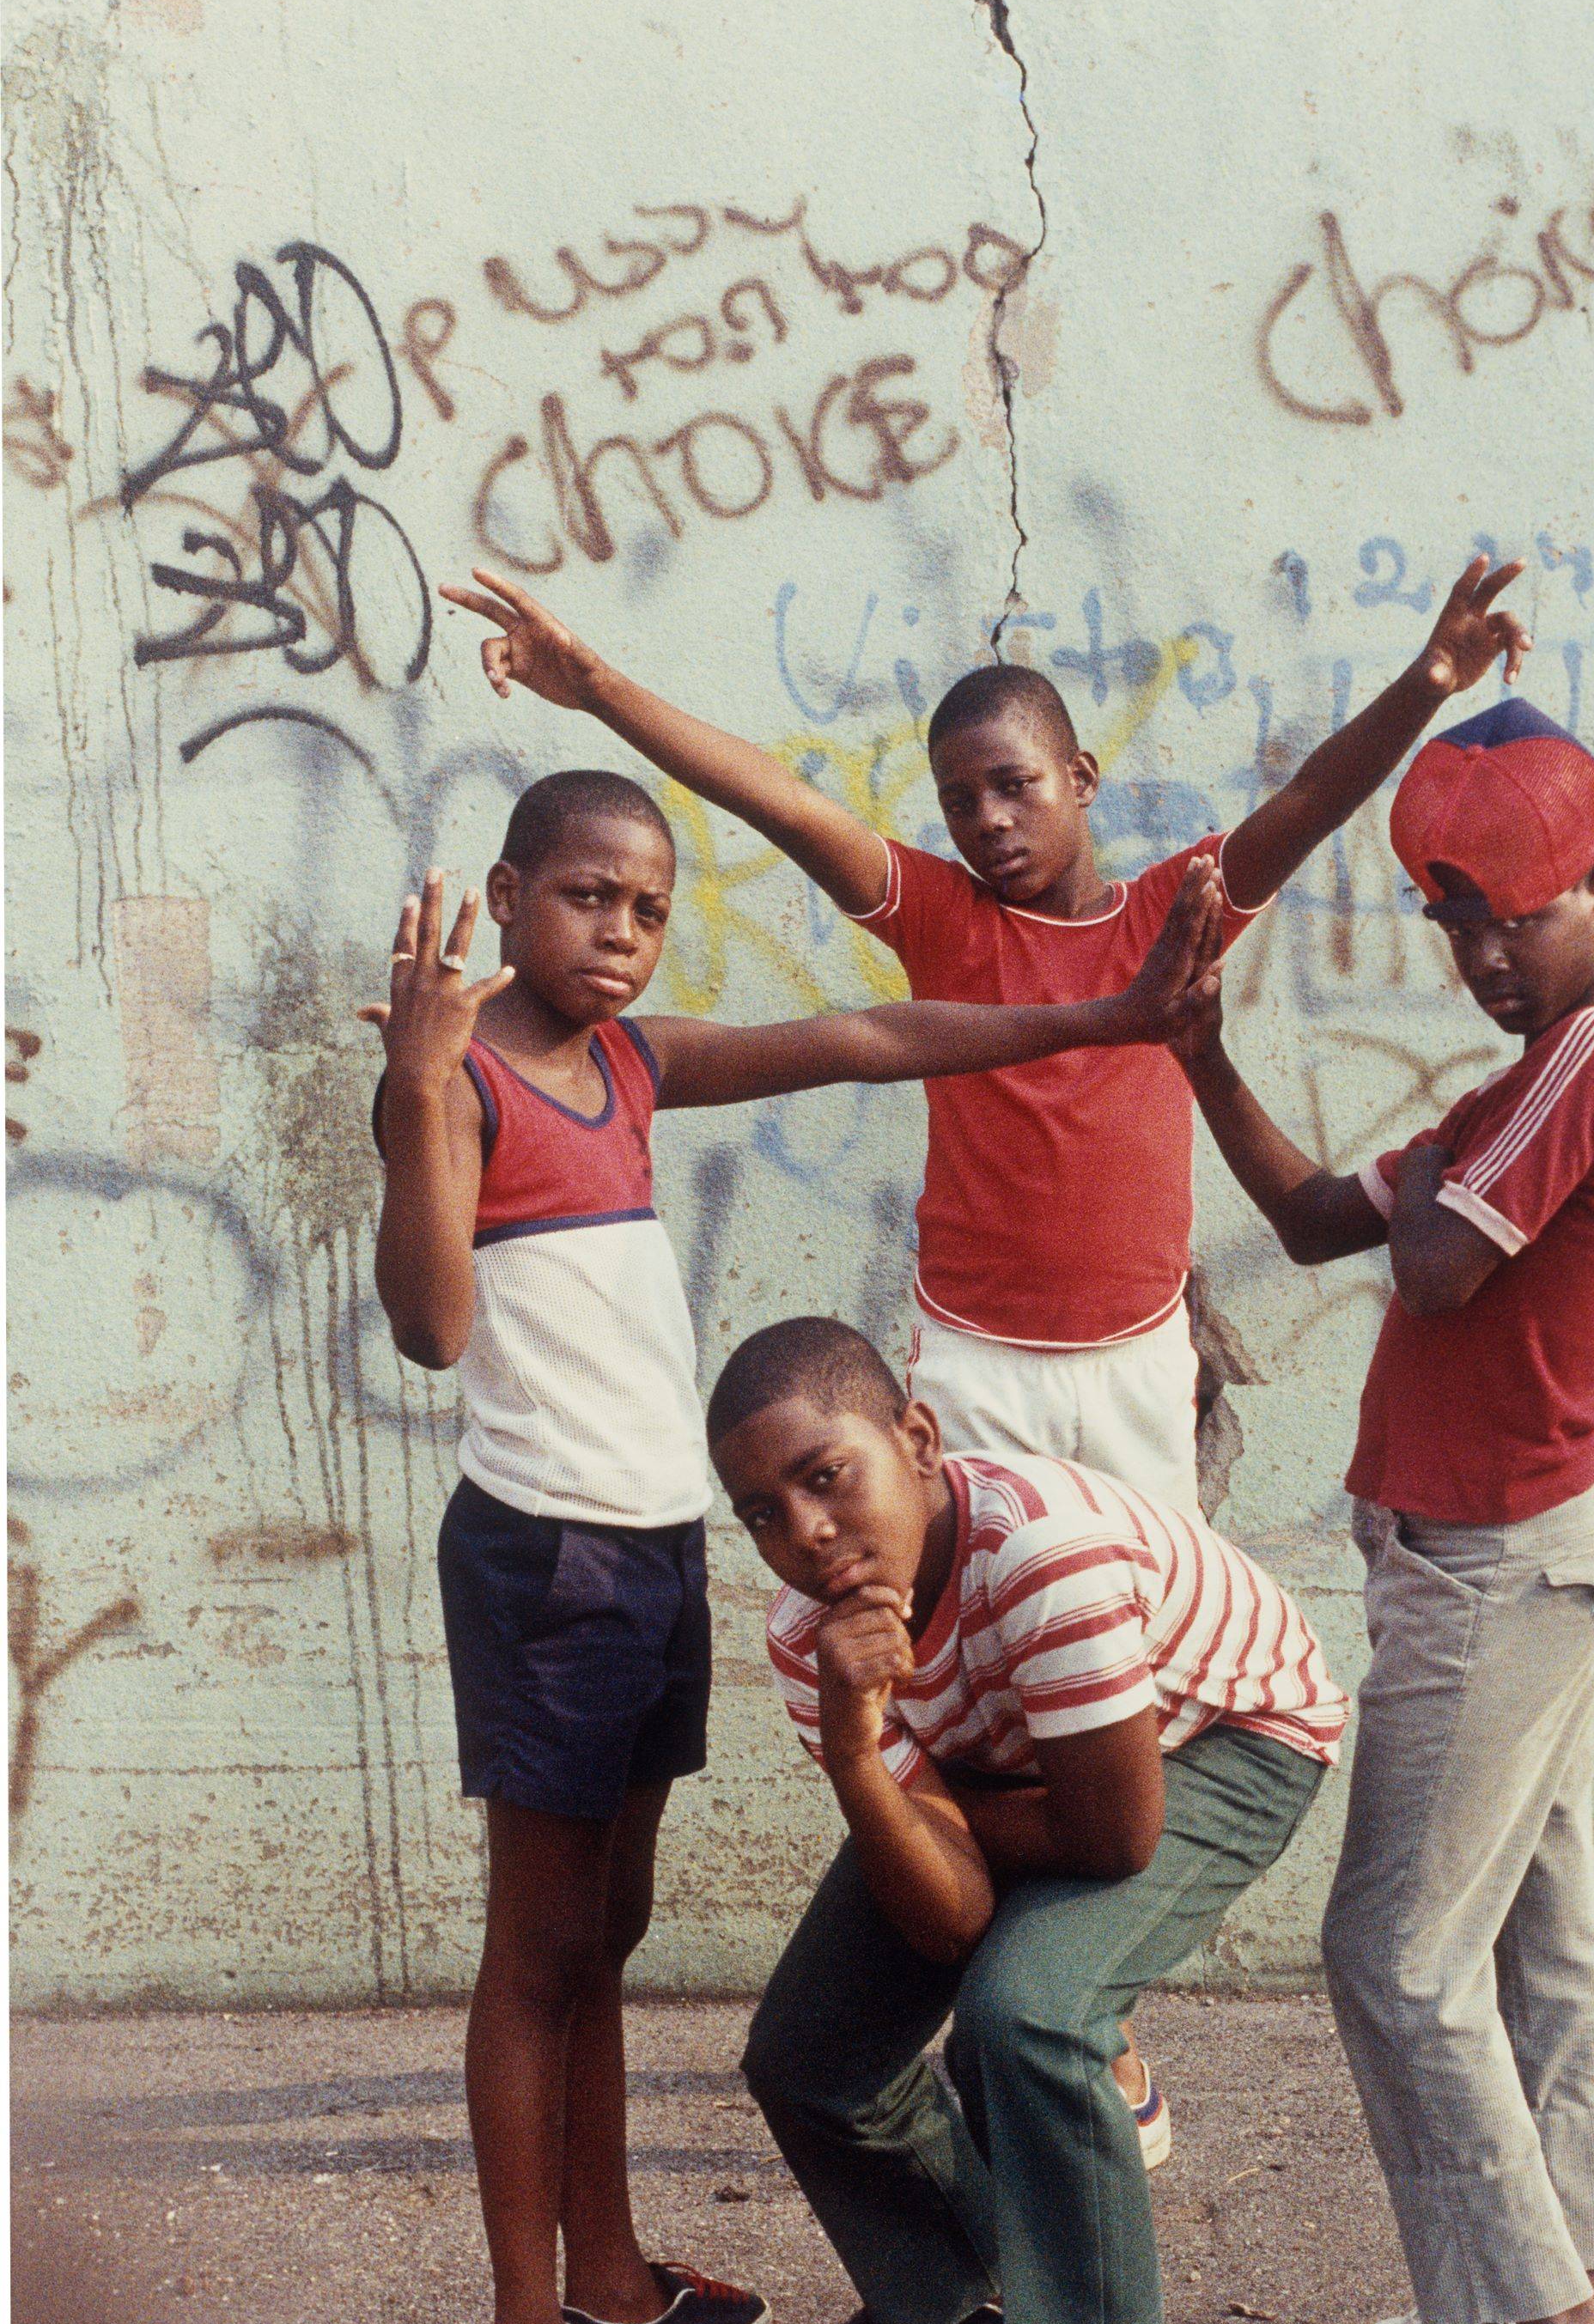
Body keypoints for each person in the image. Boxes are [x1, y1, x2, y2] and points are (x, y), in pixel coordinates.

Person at [437, 551, 1529, 2163]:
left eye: (1015, 786)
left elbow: (1308, 797)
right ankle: (968, 1993)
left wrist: (1430, 684)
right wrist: (592, 686)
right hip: (973, 1373)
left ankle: (1098, 2018)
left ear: (1082, 779)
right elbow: (769, 798)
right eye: (960, 798)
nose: (989, 822)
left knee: (1124, 1703)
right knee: (958, 1689)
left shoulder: (1175, 909)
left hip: (1136, 1365)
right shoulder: (942, 916)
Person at [368, 776, 1221, 2324]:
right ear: (511, 896)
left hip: (651, 1558)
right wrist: (406, 1097)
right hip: (541, 1568)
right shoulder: (459, 1078)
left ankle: (608, 2285)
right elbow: (432, 1323)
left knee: (604, 1925)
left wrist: (1113, 1013)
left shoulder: (624, 1066)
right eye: (585, 895)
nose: (619, 930)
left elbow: (859, 1031)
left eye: (648, 907)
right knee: (534, 1954)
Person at [1171, 697, 1594, 2324]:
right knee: (1540, 1932)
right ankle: (1572, 2287)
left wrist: (1445, 1171)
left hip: (1497, 1574)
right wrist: (1198, 1055)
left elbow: (1438, 1268)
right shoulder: (1521, 1078)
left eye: (1513, 914)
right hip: (1491, 1563)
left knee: (1391, 1951)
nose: (1478, 954)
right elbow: (1331, 1218)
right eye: (1451, 919)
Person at [706, 1291, 1348, 2324]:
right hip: (1033, 1766)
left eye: (829, 1479)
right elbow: (940, 1918)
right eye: (765, 1512)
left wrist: (941, 1809)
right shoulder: (808, 1640)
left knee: (1029, 2015)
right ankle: (968, 2287)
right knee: (810, 2055)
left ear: (920, 1438)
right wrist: (855, 1742)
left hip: (1222, 1737)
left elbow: (1113, 1837)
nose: (808, 1535)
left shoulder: (1037, 1555)